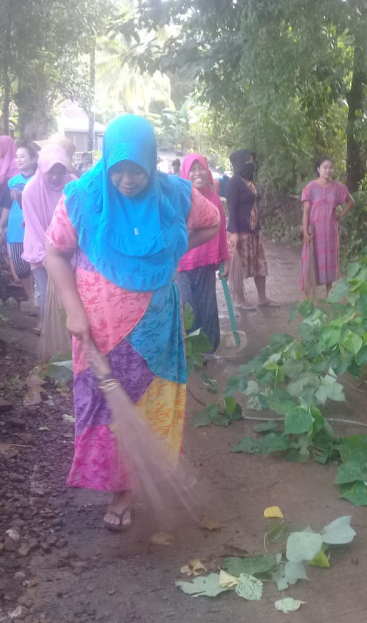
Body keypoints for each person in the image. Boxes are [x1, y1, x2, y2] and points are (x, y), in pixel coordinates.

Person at [45, 114, 220, 531]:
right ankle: (118, 490)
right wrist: (72, 309)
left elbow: (211, 222)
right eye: (118, 170)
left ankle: (142, 477)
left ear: (150, 162)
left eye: (136, 170)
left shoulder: (174, 195)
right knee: (106, 411)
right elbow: (54, 252)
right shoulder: (82, 198)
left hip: (155, 334)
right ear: (106, 164)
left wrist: (172, 250)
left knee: (150, 406)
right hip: (100, 332)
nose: (126, 179)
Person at [176, 153, 229, 351]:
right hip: (181, 264)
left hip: (206, 262)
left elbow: (221, 232)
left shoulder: (214, 200)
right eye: (193, 169)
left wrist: (225, 258)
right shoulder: (179, 198)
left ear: (207, 172)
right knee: (186, 308)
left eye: (201, 168)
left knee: (207, 308)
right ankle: (188, 352)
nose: (198, 173)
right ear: (185, 173)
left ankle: (207, 351)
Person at [22, 144, 76, 322]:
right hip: (40, 251)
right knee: (47, 294)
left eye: (60, 172)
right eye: (50, 172)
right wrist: (48, 255)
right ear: (41, 168)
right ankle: (50, 335)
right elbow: (34, 226)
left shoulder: (74, 185)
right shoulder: (30, 190)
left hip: (70, 251)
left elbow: (78, 218)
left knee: (71, 295)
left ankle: (70, 341)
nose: (55, 177)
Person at [225, 148, 277, 309]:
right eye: (247, 160)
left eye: (251, 160)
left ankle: (263, 298)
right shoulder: (233, 183)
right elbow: (231, 209)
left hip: (254, 231)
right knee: (239, 267)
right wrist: (233, 233)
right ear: (239, 162)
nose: (251, 163)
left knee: (260, 264)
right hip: (240, 232)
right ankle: (240, 300)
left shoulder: (250, 181)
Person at [300, 157, 354, 296]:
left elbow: (350, 201)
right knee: (310, 262)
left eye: (330, 167)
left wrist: (340, 215)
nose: (328, 170)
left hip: (330, 231)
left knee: (330, 262)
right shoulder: (310, 188)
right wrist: (305, 231)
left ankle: (329, 296)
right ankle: (308, 297)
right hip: (314, 231)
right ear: (318, 169)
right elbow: (306, 211)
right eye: (325, 167)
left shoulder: (338, 188)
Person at [4, 143, 38, 302]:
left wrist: (21, 197)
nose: (18, 159)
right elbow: (6, 206)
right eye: (16, 156)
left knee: (37, 265)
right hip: (15, 230)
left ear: (33, 159)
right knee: (20, 267)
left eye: (22, 156)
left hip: (35, 229)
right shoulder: (11, 182)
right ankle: (31, 299)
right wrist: (1, 225)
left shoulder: (40, 178)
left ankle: (40, 301)